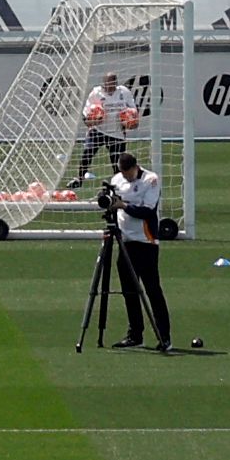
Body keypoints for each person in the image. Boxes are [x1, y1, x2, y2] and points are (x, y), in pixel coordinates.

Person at [111, 151, 172, 352]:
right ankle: (135, 334)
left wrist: (123, 206)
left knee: (152, 289)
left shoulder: (151, 180)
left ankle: (164, 337)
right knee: (129, 290)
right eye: (122, 172)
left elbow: (147, 211)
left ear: (135, 167)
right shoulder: (117, 179)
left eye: (127, 172)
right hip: (125, 241)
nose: (125, 176)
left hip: (146, 242)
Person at [67, 73, 139, 187]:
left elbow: (134, 113)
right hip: (97, 131)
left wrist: (131, 123)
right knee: (87, 153)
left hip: (117, 134)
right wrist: (95, 121)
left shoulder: (124, 92)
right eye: (107, 83)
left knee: (117, 163)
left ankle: (119, 186)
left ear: (116, 82)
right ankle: (79, 179)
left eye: (112, 83)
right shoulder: (96, 93)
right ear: (103, 83)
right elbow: (86, 120)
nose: (110, 86)